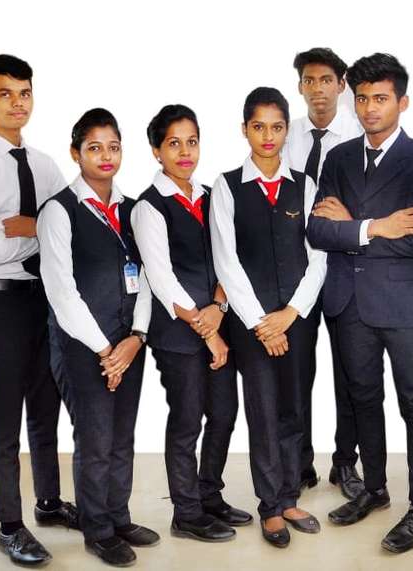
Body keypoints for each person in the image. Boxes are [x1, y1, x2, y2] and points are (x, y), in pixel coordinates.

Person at [306, 52, 413, 554]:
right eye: (362, 98)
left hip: (402, 304)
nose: (369, 108)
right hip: (349, 303)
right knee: (363, 399)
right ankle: (376, 489)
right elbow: (317, 230)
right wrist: (378, 226)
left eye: (380, 98)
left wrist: (353, 228)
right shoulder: (339, 158)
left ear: (402, 102)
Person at [0, 53, 77, 567]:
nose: (17, 103)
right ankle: (10, 525)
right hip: (1, 302)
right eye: (4, 94)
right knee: (3, 417)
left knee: (46, 409)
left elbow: (68, 234)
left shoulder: (46, 165)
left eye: (24, 93)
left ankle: (48, 503)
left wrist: (27, 226)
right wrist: (42, 228)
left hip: (44, 299)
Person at [39, 108, 159, 566]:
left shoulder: (132, 209)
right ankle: (98, 529)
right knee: (95, 438)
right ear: (76, 154)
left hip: (128, 343)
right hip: (83, 347)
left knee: (122, 435)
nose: (105, 156)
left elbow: (146, 277)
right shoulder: (59, 210)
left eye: (113, 147)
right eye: (94, 148)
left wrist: (136, 337)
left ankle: (118, 516)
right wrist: (107, 350)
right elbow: (61, 292)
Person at [210, 87, 326, 548]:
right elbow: (227, 262)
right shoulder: (226, 186)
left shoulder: (305, 185)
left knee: (295, 407)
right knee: (263, 411)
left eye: (277, 127)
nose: (268, 136)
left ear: (286, 131)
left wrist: (291, 313)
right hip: (251, 323)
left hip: (297, 319)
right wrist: (262, 322)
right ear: (245, 130)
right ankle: (270, 507)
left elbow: (318, 256)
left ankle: (290, 496)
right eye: (258, 127)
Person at [131, 104, 251, 542]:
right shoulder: (149, 207)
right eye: (174, 143)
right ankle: (185, 512)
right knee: (187, 420)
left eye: (192, 142)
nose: (185, 152)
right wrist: (210, 330)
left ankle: (208, 494)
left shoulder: (211, 195)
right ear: (156, 151)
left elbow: (228, 258)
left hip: (216, 319)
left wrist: (219, 304)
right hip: (178, 334)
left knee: (224, 413)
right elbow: (163, 280)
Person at [283, 47, 366, 498]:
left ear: (341, 85)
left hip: (346, 271)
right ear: (300, 86)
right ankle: (298, 462)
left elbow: (370, 208)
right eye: (309, 80)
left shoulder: (359, 135)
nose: (318, 89)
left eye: (326, 80)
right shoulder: (284, 134)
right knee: (296, 374)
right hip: (295, 273)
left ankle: (345, 463)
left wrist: (349, 217)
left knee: (350, 373)